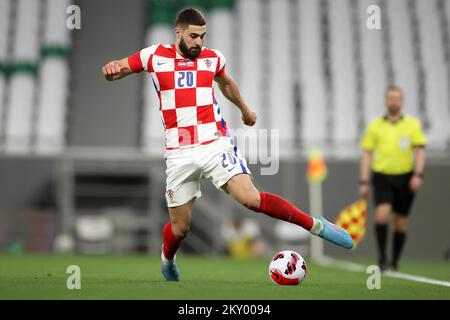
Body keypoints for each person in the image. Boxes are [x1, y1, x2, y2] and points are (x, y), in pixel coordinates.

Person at [102, 8, 353, 281]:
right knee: (180, 229)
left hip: (214, 143)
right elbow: (120, 68)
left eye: (203, 36)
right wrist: (111, 70)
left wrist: (245, 110)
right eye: (193, 36)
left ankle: (315, 225)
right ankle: (168, 260)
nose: (199, 42)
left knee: (250, 199)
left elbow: (227, 83)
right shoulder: (153, 55)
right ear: (178, 33)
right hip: (178, 152)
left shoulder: (213, 58)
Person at [359, 85, 426, 271]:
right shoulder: (375, 125)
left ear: (402, 101)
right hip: (382, 176)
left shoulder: (413, 125)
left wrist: (418, 175)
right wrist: (364, 181)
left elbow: (420, 151)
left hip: (405, 177)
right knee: (382, 214)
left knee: (401, 221)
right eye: (390, 98)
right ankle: (382, 258)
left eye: (397, 98)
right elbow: (367, 154)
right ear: (386, 100)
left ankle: (395, 262)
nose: (394, 101)